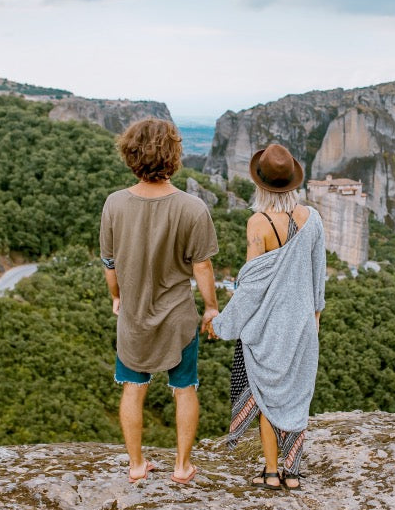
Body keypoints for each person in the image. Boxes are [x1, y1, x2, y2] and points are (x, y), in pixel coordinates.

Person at [99, 118, 220, 485]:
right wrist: (212, 306)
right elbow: (202, 265)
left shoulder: (114, 204)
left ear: (130, 153)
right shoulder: (192, 208)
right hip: (178, 318)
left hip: (133, 316)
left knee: (132, 389)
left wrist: (117, 297)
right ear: (173, 155)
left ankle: (136, 465)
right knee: (185, 389)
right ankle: (182, 467)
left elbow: (109, 263)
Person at [210, 143, 326, 490]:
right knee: (296, 393)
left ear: (261, 184)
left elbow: (250, 287)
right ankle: (293, 472)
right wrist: (315, 319)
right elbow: (318, 276)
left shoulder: (257, 223)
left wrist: (222, 324)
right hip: (303, 324)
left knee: (265, 396)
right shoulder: (313, 219)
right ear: (293, 182)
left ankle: (272, 472)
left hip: (267, 327)